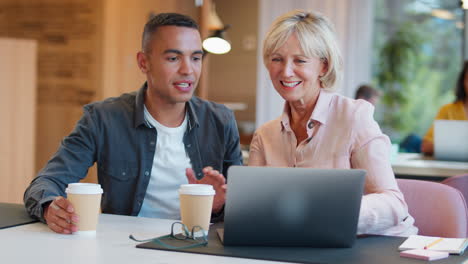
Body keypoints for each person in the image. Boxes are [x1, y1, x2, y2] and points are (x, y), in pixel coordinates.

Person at [24, 13, 242, 234]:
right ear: (143, 62)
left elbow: (242, 206)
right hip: (124, 246)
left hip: (198, 246)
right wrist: (49, 207)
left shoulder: (220, 120)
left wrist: (216, 206)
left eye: (195, 58)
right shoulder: (102, 118)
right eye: (173, 58)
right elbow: (47, 182)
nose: (188, 70)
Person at [248, 10, 417, 236]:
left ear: (324, 66)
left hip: (375, 246)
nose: (286, 71)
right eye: (277, 59)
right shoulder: (264, 136)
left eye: (299, 60)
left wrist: (332, 212)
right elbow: (255, 211)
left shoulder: (354, 117)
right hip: (304, 244)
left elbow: (394, 204)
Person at [421, 61, 468, 155]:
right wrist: (457, 147)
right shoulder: (447, 110)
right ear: (463, 81)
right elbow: (425, 146)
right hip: (450, 166)